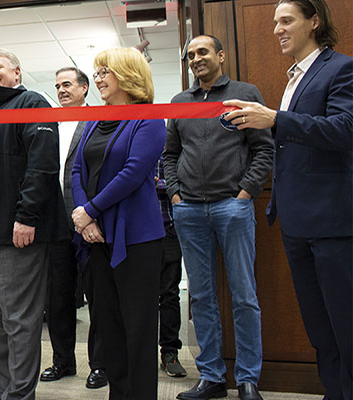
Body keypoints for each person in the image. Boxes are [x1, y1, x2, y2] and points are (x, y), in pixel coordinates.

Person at [223, 0, 352, 397]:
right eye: (275, 22)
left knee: (346, 328)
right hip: (296, 221)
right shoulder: (294, 77)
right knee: (320, 330)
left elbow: (344, 130)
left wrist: (275, 119)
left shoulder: (340, 68)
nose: (277, 29)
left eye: (286, 20)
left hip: (332, 222)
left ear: (314, 21)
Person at [164, 35, 273, 400]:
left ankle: (247, 380)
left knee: (244, 296)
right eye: (190, 55)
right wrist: (176, 195)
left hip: (233, 206)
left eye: (202, 52)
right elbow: (170, 154)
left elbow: (263, 150)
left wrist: (245, 193)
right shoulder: (180, 102)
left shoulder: (245, 93)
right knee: (203, 298)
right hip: (189, 210)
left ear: (221, 55)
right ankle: (211, 378)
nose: (195, 59)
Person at [0, 48, 67, 400]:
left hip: (16, 235)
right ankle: (4, 388)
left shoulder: (33, 104)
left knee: (18, 322)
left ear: (16, 73)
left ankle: (20, 393)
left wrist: (27, 217)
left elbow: (43, 166)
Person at [70, 47, 166, 399]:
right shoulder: (95, 119)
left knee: (138, 327)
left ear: (127, 74)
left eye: (104, 71)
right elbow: (78, 169)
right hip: (95, 236)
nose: (97, 79)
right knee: (108, 324)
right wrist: (85, 218)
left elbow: (132, 173)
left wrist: (90, 209)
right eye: (95, 73)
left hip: (137, 237)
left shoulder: (149, 118)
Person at [41, 66, 108, 389]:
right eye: (57, 85)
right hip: (54, 223)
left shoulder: (98, 119)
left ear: (84, 88)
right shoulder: (47, 122)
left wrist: (91, 215)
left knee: (97, 296)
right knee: (58, 297)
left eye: (67, 84)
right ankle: (62, 361)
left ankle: (100, 364)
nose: (61, 90)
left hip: (88, 221)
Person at [154, 155, 187, 379]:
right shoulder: (132, 141)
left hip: (169, 229)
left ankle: (170, 353)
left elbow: (185, 184)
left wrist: (159, 184)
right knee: (139, 297)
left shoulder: (171, 148)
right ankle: (141, 352)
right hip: (137, 232)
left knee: (169, 294)